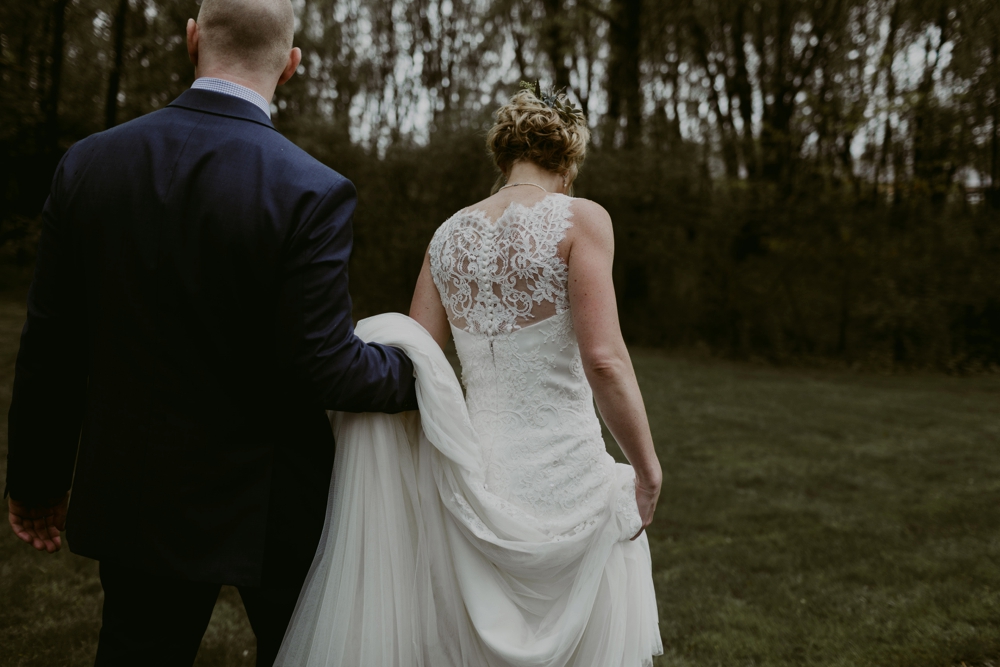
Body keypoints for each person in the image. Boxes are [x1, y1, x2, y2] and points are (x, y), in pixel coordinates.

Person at [3, 0, 417, 664]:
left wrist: (36, 481)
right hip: (273, 502)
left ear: (192, 39)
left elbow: (53, 344)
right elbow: (325, 364)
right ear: (291, 65)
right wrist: (416, 372)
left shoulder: (88, 164)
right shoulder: (312, 189)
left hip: (140, 497)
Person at [276, 86, 663, 666]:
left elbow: (416, 357)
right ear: (569, 162)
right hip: (568, 473)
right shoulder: (582, 219)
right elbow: (604, 358)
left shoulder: (448, 234)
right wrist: (647, 469)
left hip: (470, 473)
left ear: (502, 155)